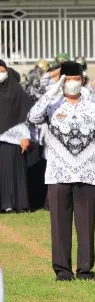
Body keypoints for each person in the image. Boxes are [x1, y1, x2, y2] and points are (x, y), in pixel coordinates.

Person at [28, 61, 95, 281]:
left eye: (76, 79)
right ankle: (62, 270)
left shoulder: (93, 108)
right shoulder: (52, 105)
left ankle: (85, 270)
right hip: (57, 173)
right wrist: (49, 94)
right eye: (68, 79)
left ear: (82, 80)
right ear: (62, 80)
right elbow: (32, 117)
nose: (72, 83)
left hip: (86, 173)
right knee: (59, 225)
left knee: (86, 225)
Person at [0, 60, 33, 213]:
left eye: (2, 71)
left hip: (12, 138)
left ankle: (11, 204)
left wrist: (25, 136)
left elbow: (24, 115)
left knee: (10, 172)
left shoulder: (16, 91)